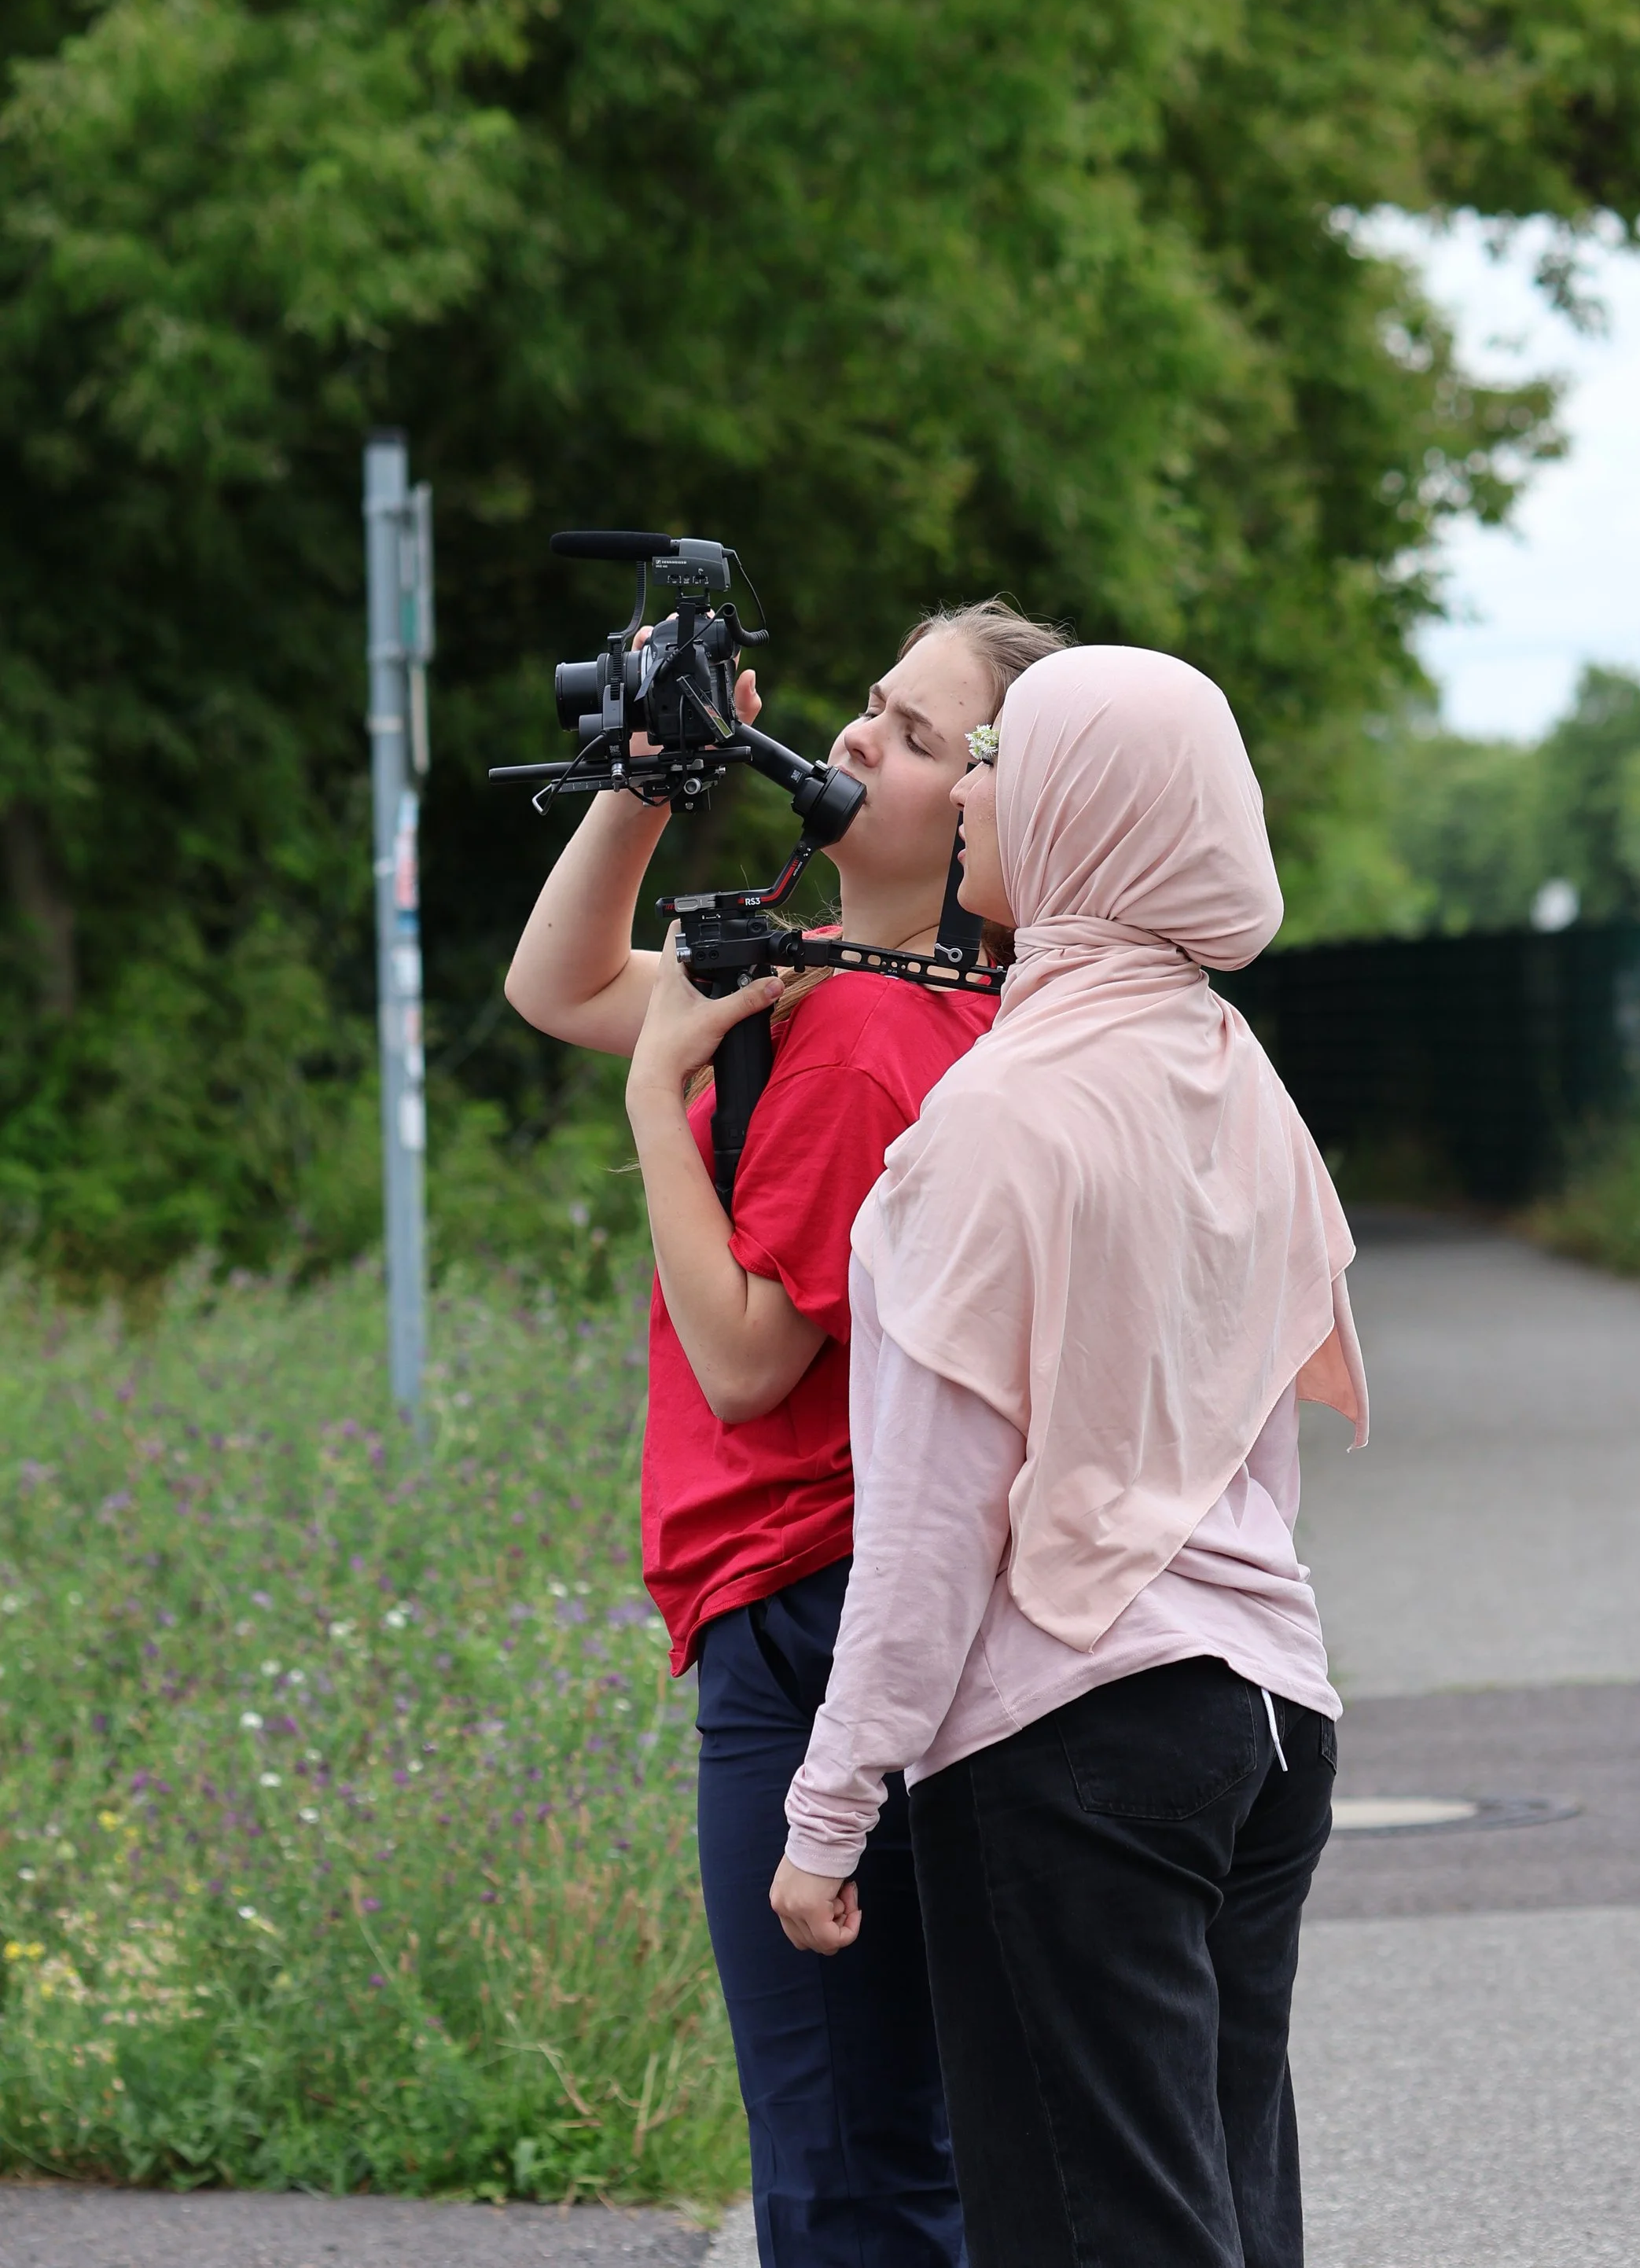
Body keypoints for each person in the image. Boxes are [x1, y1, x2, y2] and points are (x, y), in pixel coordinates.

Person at [768, 645, 1369, 2268]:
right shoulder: (1235, 1078)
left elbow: (927, 1518)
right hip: (1263, 1724)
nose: (965, 789)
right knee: (1220, 2219)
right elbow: (1248, 1455)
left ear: (1091, 814)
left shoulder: (997, 1120)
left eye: (999, 761)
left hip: (1074, 1745)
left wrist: (827, 1809)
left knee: (1091, 2232)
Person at [505, 599, 1068, 2268]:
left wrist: (651, 1124)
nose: (847, 739)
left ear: (989, 804)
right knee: (917, 2135)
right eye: (864, 707)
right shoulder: (885, 986)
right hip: (871, 1600)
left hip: (799, 1597)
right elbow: (567, 982)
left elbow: (748, 1362)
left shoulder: (854, 1041)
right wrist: (650, 776)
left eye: (907, 733)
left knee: (839, 2160)